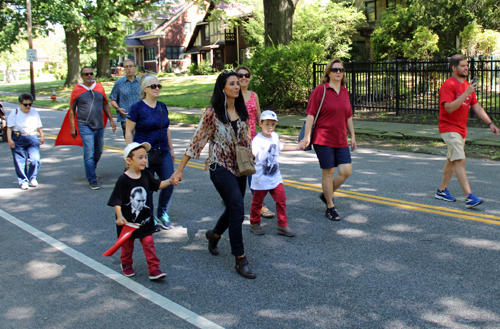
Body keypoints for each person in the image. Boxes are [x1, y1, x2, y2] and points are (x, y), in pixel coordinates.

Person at [170, 70, 256, 279]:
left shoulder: (241, 110)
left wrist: (254, 156)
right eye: (232, 84)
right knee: (237, 206)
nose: (237, 86)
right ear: (223, 88)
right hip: (219, 166)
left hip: (240, 167)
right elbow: (196, 141)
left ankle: (214, 234)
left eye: (238, 83)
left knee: (234, 208)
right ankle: (240, 258)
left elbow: (247, 139)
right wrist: (180, 169)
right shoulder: (212, 113)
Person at [434, 54, 499, 208]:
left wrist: (490, 122)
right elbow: (448, 108)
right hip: (449, 128)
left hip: (461, 129)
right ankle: (469, 196)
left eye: (466, 65)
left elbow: (476, 106)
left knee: (452, 160)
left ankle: (441, 191)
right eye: (463, 65)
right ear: (454, 68)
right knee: (460, 161)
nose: (466, 68)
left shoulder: (466, 86)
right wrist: (466, 93)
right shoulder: (448, 85)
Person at [108, 142, 178, 280]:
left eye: (145, 157)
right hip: (128, 223)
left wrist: (170, 181)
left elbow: (158, 185)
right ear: (129, 161)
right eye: (140, 157)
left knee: (149, 243)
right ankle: (126, 264)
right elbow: (117, 200)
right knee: (127, 246)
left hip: (145, 220)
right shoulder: (123, 179)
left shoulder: (146, 174)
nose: (144, 160)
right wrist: (119, 217)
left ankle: (154, 268)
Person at [299, 59, 356, 221]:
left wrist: (353, 136)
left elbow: (348, 116)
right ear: (328, 72)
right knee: (328, 172)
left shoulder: (345, 91)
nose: (338, 72)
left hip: (340, 139)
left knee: (346, 171)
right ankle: (330, 206)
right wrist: (307, 136)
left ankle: (326, 194)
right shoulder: (320, 90)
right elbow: (310, 114)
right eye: (335, 69)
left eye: (341, 70)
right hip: (323, 138)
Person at [126, 74, 175, 230]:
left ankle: (162, 213)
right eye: (153, 86)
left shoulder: (162, 106)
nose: (157, 89)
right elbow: (129, 131)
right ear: (145, 89)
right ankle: (149, 217)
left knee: (169, 183)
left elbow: (166, 128)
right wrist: (131, 153)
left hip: (163, 152)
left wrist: (172, 149)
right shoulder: (137, 108)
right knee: (149, 187)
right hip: (145, 155)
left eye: (159, 86)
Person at [249, 110, 301, 237]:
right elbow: (252, 154)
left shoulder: (275, 136)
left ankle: (283, 224)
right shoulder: (257, 140)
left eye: (273, 124)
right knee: (257, 203)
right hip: (261, 177)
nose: (270, 127)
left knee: (281, 200)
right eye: (267, 124)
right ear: (260, 124)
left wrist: (298, 147)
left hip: (275, 176)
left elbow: (281, 147)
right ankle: (254, 223)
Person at [67, 66, 117, 190]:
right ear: (82, 76)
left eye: (91, 73)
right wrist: (73, 127)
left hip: (99, 125)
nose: (89, 76)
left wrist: (111, 119)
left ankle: (91, 169)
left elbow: (105, 104)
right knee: (89, 152)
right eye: (86, 74)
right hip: (84, 125)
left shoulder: (99, 87)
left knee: (98, 151)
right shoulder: (77, 89)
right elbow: (72, 109)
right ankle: (92, 179)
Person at [236, 65, 275, 218]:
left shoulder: (254, 95)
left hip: (253, 140)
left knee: (254, 172)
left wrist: (266, 132)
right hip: (237, 140)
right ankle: (232, 198)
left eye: (247, 75)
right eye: (240, 75)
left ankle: (260, 204)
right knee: (239, 171)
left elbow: (259, 116)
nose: (244, 78)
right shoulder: (233, 94)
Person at [6, 93, 44, 190]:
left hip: (32, 137)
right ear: (20, 104)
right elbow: (9, 127)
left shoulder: (34, 112)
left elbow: (39, 125)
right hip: (19, 138)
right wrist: (9, 139)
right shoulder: (15, 113)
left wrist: (42, 136)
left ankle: (32, 177)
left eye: (30, 104)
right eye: (25, 104)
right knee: (19, 161)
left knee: (35, 159)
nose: (28, 107)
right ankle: (23, 180)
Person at [109, 59, 141, 138]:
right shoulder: (119, 83)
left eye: (131, 66)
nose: (129, 68)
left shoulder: (141, 82)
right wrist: (118, 108)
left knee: (142, 144)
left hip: (141, 117)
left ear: (135, 68)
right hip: (126, 118)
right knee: (131, 145)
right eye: (126, 67)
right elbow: (113, 99)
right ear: (124, 69)